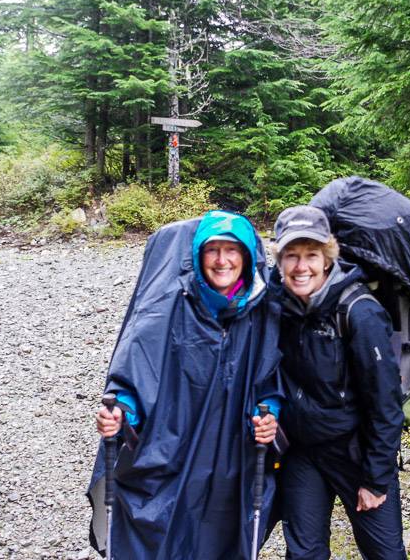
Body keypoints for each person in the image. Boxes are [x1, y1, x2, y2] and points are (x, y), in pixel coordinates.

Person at [87, 210, 282, 560]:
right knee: (159, 533)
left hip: (230, 453)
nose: (222, 260)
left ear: (248, 256)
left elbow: (271, 381)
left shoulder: (262, 310)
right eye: (212, 250)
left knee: (220, 538)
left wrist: (270, 415)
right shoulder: (169, 306)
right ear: (197, 256)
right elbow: (136, 371)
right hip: (168, 447)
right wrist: (122, 413)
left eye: (232, 250)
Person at [270, 205, 406, 560]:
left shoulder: (359, 312)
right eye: (292, 256)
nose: (301, 267)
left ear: (327, 259)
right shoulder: (277, 306)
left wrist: (376, 478)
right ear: (279, 261)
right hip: (302, 452)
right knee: (304, 554)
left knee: (385, 554)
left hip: (356, 452)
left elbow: (386, 402)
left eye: (311, 255)